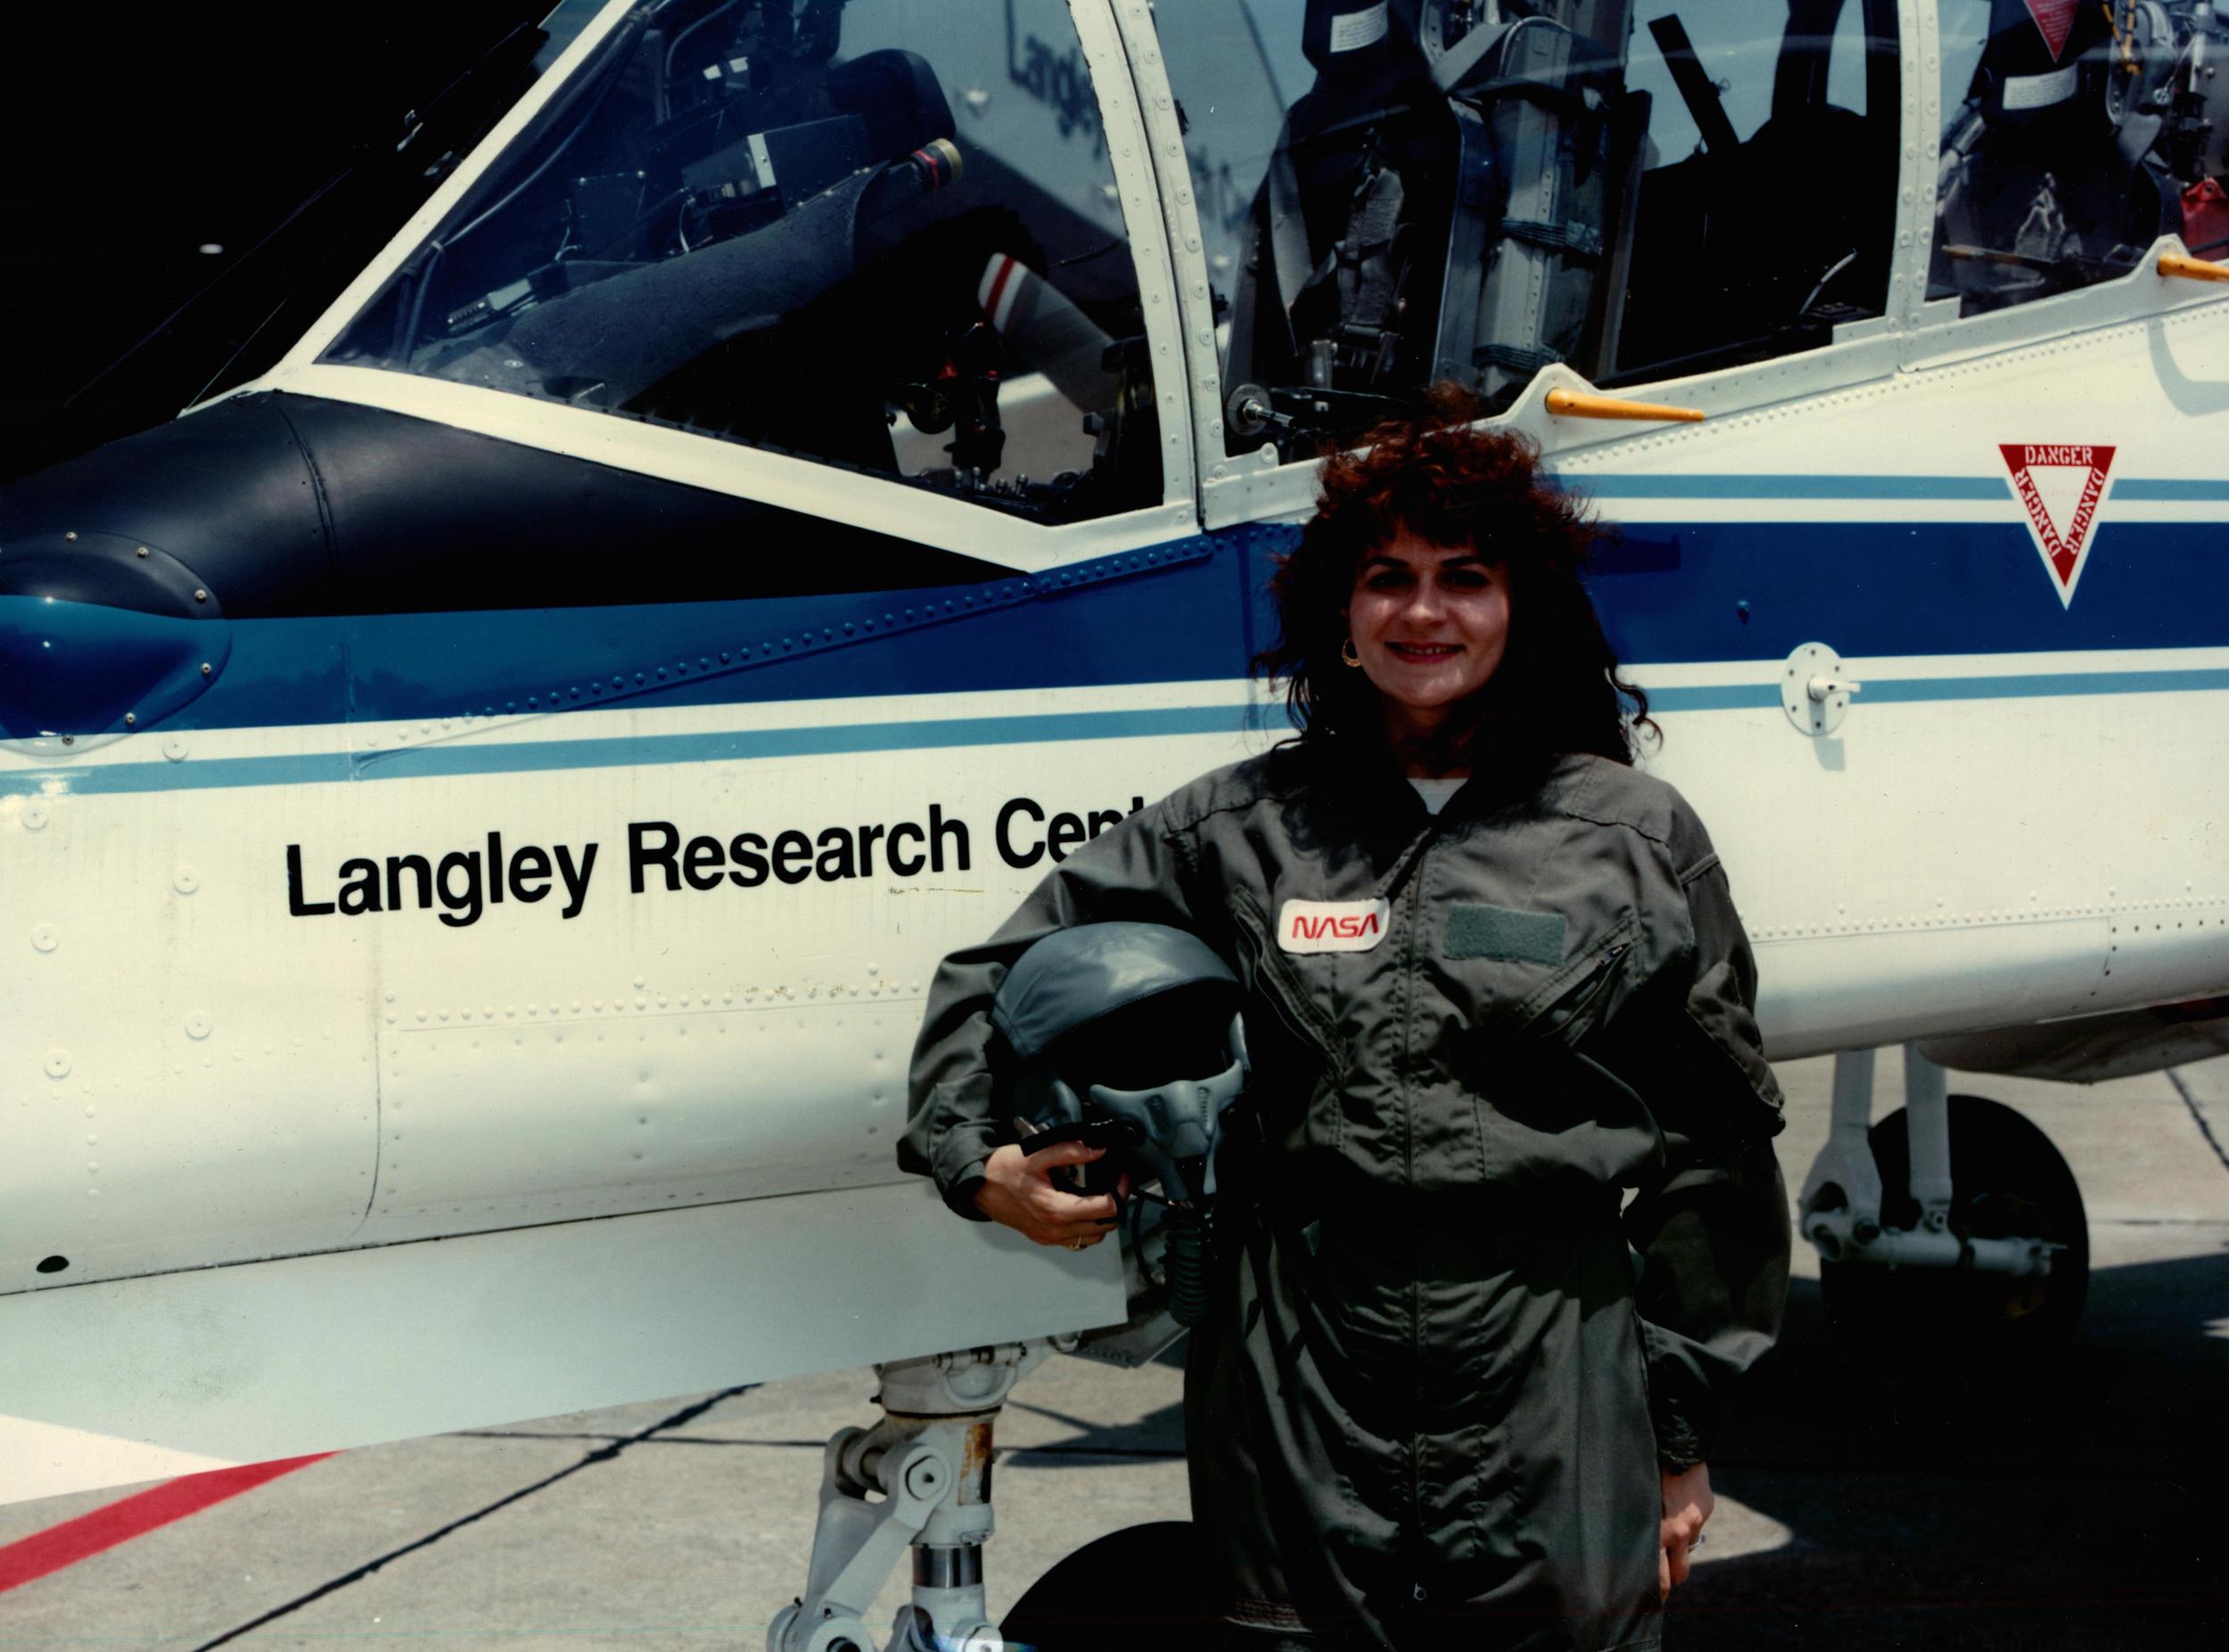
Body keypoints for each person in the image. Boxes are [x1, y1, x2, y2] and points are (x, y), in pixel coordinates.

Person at [901, 389, 1790, 1649]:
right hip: (1298, 1395)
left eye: (1464, 577)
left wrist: (1680, 1434)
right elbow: (1000, 969)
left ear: (1519, 605)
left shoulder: (1633, 844)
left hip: (1552, 1391)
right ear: (1342, 610)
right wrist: (978, 1162)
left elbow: (1720, 1154)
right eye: (1388, 577)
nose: (1423, 611)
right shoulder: (1237, 831)